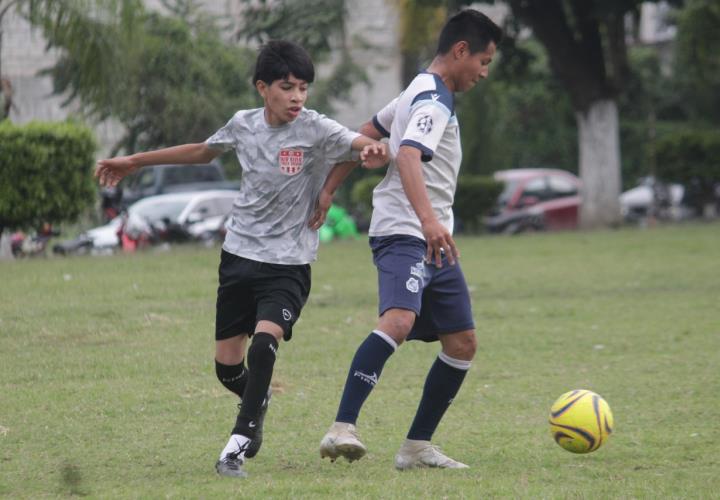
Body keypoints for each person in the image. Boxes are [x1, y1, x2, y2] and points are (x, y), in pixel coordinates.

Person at [95, 40, 388, 479]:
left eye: (304, 88)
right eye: (287, 87)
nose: (297, 97)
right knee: (228, 369)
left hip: (288, 264)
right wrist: (135, 161)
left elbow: (357, 141)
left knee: (265, 345)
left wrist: (371, 149)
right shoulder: (243, 125)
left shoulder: (314, 128)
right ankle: (258, 398)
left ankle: (236, 444)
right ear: (262, 87)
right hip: (238, 258)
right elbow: (201, 150)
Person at [319, 9, 502, 470]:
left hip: (433, 237)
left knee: (462, 343)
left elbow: (364, 134)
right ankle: (342, 427)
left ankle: (417, 447)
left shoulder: (416, 89)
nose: (483, 72)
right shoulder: (433, 99)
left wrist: (328, 189)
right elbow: (405, 156)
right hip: (406, 231)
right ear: (461, 51)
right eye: (484, 60)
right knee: (398, 320)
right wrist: (428, 221)